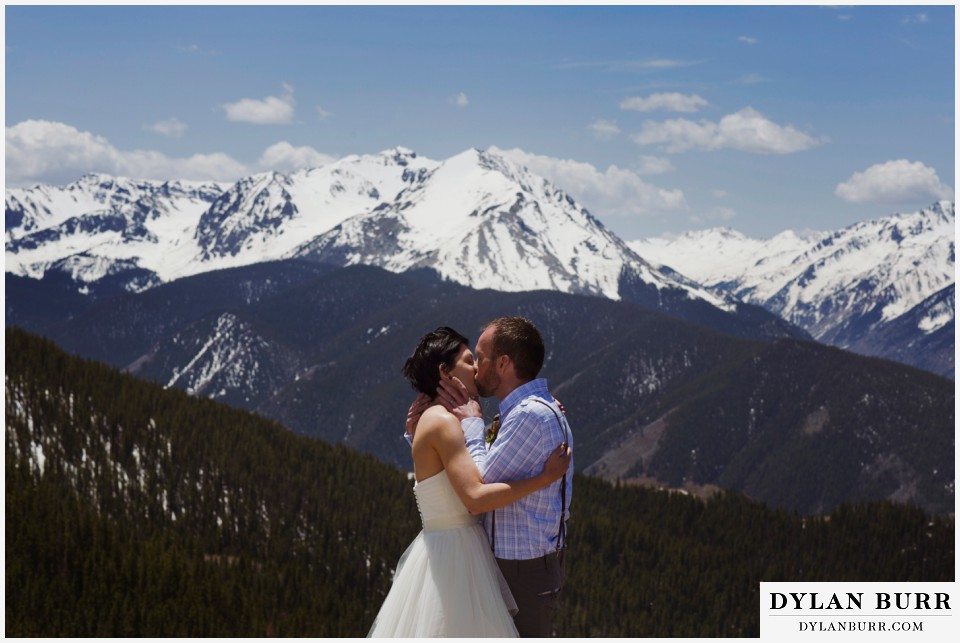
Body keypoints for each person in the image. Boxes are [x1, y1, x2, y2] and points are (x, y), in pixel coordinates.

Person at [368, 326, 571, 638]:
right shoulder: (445, 423)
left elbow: (456, 468)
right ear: (445, 373)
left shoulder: (441, 421)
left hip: (459, 553)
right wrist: (544, 477)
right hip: (457, 559)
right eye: (468, 360)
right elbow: (475, 494)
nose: (477, 367)